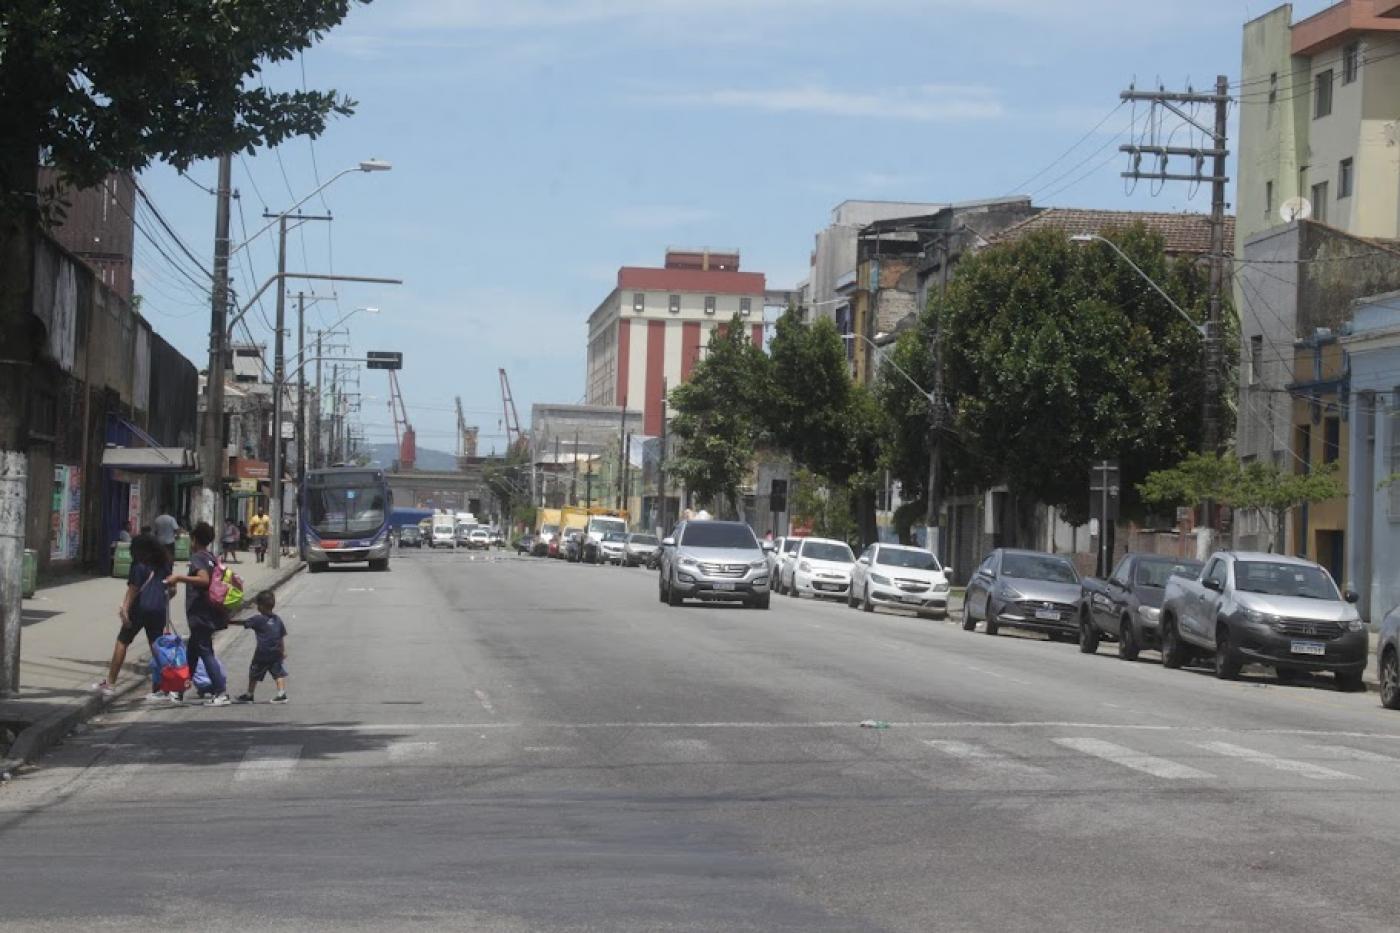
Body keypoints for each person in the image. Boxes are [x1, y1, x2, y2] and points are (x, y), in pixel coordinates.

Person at [94, 533, 173, 698]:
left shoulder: (138, 565)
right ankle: (164, 685)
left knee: (123, 641)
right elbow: (172, 590)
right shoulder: (165, 564)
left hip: (139, 609)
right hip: (158, 609)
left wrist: (125, 610)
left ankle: (110, 683)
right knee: (156, 646)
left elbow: (133, 590)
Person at [165, 522, 231, 706]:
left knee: (205, 652)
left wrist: (178, 578)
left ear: (194, 540)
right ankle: (179, 691)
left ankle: (220, 691)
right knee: (192, 654)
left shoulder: (198, 558)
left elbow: (203, 580)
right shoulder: (210, 557)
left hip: (201, 613)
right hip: (207, 612)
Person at [235, 590, 288, 704]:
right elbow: (281, 636)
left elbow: (245, 623)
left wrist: (229, 621)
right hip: (276, 653)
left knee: (254, 673)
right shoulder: (277, 619)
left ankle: (249, 694)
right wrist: (283, 651)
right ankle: (281, 693)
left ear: (261, 606)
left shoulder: (258, 619)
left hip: (262, 654)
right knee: (278, 674)